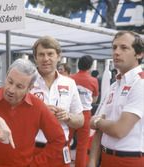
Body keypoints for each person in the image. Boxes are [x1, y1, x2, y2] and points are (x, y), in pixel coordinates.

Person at [89, 31, 144, 167]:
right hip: (106, 157)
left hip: (130, 160)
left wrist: (97, 121)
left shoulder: (140, 83)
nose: (116, 52)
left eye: (124, 48)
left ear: (139, 54)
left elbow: (119, 130)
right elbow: (97, 131)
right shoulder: (114, 85)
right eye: (114, 47)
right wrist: (91, 162)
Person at [30, 36, 84, 164]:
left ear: (58, 56)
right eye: (41, 54)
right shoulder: (26, 81)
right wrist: (40, 113)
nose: (46, 59)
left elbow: (80, 120)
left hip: (61, 150)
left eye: (50, 54)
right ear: (35, 57)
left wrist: (67, 117)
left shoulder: (69, 83)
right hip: (33, 148)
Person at [69, 55, 99, 167]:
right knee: (83, 145)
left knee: (66, 142)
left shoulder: (70, 78)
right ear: (90, 66)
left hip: (71, 113)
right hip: (85, 113)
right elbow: (95, 99)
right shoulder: (93, 80)